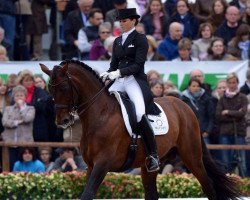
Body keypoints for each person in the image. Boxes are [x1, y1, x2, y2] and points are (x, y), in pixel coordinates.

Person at [100, 8, 161, 172]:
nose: (121, 23)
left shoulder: (141, 39)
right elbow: (113, 64)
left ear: (133, 21)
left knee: (140, 113)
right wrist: (108, 73)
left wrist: (118, 72)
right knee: (101, 104)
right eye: (120, 21)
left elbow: (138, 64)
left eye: (124, 20)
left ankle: (153, 154)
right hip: (119, 81)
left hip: (134, 80)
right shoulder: (117, 41)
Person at [216, 73, 248, 177]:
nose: (232, 85)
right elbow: (218, 116)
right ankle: (227, 185)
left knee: (242, 162)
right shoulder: (222, 99)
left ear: (237, 83)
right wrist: (236, 113)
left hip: (239, 132)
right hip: (224, 133)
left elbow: (242, 113)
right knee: (226, 162)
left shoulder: (243, 97)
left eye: (234, 82)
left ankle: (245, 185)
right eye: (229, 82)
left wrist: (228, 112)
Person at [2, 85, 35, 170]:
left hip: (25, 143)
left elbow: (28, 118)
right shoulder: (8, 109)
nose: (19, 97)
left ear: (25, 97)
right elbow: (5, 122)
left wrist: (21, 108)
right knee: (11, 166)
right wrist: (17, 122)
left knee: (24, 167)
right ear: (13, 97)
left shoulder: (30, 108)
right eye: (17, 95)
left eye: (21, 95)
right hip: (10, 143)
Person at [182, 78, 215, 144]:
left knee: (205, 153)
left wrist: (207, 131)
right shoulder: (183, 99)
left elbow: (211, 116)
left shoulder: (206, 99)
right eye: (193, 86)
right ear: (189, 87)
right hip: (189, 133)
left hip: (203, 133)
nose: (196, 88)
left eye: (198, 86)